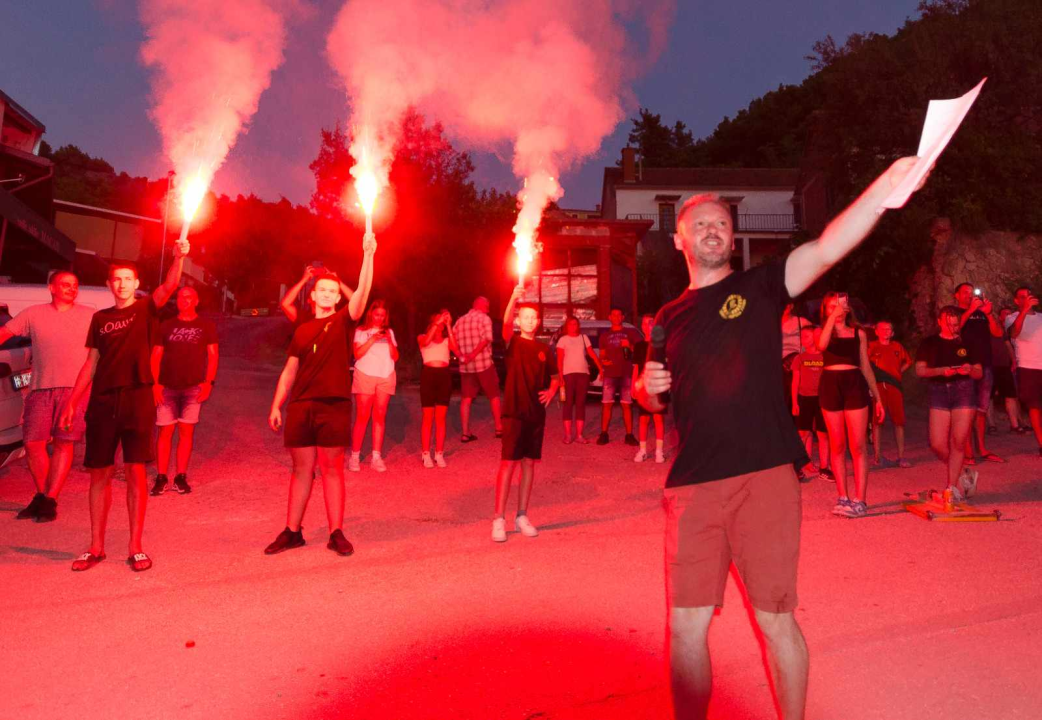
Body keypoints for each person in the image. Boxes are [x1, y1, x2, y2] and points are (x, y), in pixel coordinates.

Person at [636, 155, 928, 720]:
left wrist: (884, 189)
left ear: (732, 234)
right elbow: (651, 397)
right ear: (679, 241)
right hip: (693, 487)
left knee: (775, 619)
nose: (712, 230)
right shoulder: (667, 317)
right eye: (699, 224)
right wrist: (646, 389)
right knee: (685, 625)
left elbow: (826, 247)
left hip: (765, 476)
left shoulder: (764, 285)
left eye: (720, 222)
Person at [60, 244, 188, 572]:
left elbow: (170, 285)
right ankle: (96, 546)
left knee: (135, 473)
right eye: (116, 279)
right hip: (103, 402)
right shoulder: (99, 319)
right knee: (98, 475)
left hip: (137, 399)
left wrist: (179, 257)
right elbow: (91, 363)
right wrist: (72, 403)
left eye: (127, 279)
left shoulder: (146, 309)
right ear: (109, 285)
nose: (122, 284)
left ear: (136, 283)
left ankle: (135, 547)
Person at [265, 237, 376, 557]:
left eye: (332, 289)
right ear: (312, 296)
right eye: (322, 289)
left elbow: (362, 298)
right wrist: (277, 404)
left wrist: (367, 256)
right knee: (301, 470)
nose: (327, 293)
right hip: (301, 406)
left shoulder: (343, 321)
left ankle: (336, 532)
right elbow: (289, 370)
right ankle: (292, 531)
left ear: (337, 295)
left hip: (334, 404)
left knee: (332, 469)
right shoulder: (301, 330)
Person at [0, 271, 94, 522]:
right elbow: (5, 334)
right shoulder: (34, 314)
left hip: (75, 389)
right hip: (40, 387)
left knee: (64, 443)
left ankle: (50, 499)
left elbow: (103, 351)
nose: (71, 289)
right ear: (51, 287)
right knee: (32, 443)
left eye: (74, 285)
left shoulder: (89, 315)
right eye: (65, 285)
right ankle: (42, 495)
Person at [491, 286, 560, 542]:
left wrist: (552, 391)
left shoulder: (544, 349)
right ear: (521, 320)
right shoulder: (514, 343)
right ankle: (499, 518)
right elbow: (505, 325)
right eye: (526, 316)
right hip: (513, 412)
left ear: (538, 321)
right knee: (508, 463)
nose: (530, 320)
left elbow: (555, 377)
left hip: (535, 414)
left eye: (534, 317)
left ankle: (522, 515)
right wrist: (513, 297)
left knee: (529, 463)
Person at [816, 292, 885, 517]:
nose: (835, 310)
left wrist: (878, 398)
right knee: (837, 445)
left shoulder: (859, 333)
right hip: (830, 385)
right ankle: (842, 496)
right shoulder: (823, 331)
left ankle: (860, 500)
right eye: (830, 307)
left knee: (858, 445)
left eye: (839, 306)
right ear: (825, 311)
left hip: (854, 384)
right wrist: (831, 320)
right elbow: (821, 345)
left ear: (847, 309)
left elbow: (866, 367)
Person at [150, 286, 218, 495]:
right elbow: (156, 355)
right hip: (167, 386)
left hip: (193, 387)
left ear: (196, 301)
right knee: (165, 432)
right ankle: (161, 477)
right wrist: (155, 384)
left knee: (186, 432)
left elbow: (213, 355)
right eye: (180, 297)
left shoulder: (206, 325)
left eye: (189, 297)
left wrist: (208, 383)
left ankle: (181, 476)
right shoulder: (166, 325)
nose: (184, 300)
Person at [915, 305, 981, 500]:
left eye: (956, 323)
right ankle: (963, 474)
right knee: (937, 443)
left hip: (964, 390)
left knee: (958, 441)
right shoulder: (929, 343)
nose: (953, 327)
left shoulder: (968, 342)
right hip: (939, 391)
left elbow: (979, 373)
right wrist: (942, 371)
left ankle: (951, 487)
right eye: (949, 323)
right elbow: (920, 370)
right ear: (940, 322)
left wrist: (969, 369)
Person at [954, 282, 1005, 464]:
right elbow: (954, 329)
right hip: (964, 367)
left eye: (971, 292)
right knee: (966, 411)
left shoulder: (982, 314)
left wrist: (988, 313)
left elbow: (998, 333)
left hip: (985, 365)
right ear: (957, 295)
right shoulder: (953, 312)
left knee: (981, 410)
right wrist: (970, 311)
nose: (969, 296)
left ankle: (982, 449)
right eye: (965, 293)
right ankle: (968, 453)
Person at [348, 299, 398, 472]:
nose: (379, 318)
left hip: (386, 375)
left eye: (382, 316)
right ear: (371, 314)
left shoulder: (389, 332)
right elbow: (357, 354)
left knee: (380, 416)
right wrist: (373, 339)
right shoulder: (361, 331)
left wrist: (388, 340)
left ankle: (376, 456)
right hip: (365, 374)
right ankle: (355, 456)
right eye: (377, 314)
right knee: (362, 416)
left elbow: (395, 356)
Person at [454, 296, 503, 442]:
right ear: (481, 305)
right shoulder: (484, 319)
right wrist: (472, 355)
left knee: (466, 399)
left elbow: (452, 341)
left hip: (466, 367)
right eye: (487, 305)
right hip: (484, 364)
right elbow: (486, 339)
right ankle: (499, 428)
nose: (488, 308)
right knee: (494, 395)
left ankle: (465, 432)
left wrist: (462, 356)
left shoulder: (460, 321)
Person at [418, 309, 461, 468]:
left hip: (443, 376)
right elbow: (425, 343)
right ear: (431, 323)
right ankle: (425, 454)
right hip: (428, 375)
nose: (440, 325)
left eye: (442, 323)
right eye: (438, 322)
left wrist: (449, 326)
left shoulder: (445, 340)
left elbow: (456, 350)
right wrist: (437, 323)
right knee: (427, 417)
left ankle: (439, 453)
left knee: (441, 418)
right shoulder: (422, 337)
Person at [867, 320, 913, 468]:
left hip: (895, 386)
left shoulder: (897, 346)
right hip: (879, 386)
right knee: (877, 421)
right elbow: (865, 365)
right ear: (876, 331)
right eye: (884, 329)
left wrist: (899, 372)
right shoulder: (872, 346)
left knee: (899, 421)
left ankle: (901, 456)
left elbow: (908, 361)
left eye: (889, 329)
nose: (887, 331)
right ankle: (877, 456)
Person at [596, 307, 642, 446]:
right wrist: (603, 361)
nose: (616, 317)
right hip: (610, 373)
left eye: (619, 315)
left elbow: (641, 350)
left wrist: (631, 346)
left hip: (626, 373)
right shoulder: (604, 335)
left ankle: (629, 435)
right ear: (609, 317)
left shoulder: (631, 333)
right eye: (613, 315)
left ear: (622, 317)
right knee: (606, 405)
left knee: (626, 405)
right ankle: (604, 433)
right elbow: (602, 354)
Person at [790, 325, 829, 481]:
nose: (802, 340)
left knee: (823, 434)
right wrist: (794, 402)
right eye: (801, 337)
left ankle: (825, 467)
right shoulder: (800, 358)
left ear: (815, 338)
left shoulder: (825, 357)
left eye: (806, 336)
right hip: (804, 399)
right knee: (803, 433)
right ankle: (798, 466)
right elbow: (795, 382)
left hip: (822, 399)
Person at [1006, 286, 1042, 456]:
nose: (1027, 299)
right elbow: (1014, 333)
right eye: (1023, 297)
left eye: (1029, 296)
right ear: (1016, 301)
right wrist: (1025, 310)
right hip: (1028, 367)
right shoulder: (1011, 318)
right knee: (1034, 406)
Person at [555, 316, 602, 444]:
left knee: (581, 404)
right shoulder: (563, 340)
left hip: (583, 374)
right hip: (568, 375)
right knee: (568, 404)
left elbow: (591, 353)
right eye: (570, 324)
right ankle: (568, 435)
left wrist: (600, 367)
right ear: (567, 326)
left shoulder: (583, 338)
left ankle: (579, 435)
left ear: (578, 326)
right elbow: (559, 359)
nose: (573, 326)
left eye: (575, 324)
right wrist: (560, 376)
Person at [632, 313, 665, 463]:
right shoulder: (639, 346)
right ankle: (643, 451)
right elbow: (636, 368)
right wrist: (633, 385)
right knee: (643, 419)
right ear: (642, 327)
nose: (647, 326)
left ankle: (659, 452)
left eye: (651, 323)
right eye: (645, 323)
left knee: (658, 419)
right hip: (643, 388)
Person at [279, 264, 357, 324]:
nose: (324, 295)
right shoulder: (303, 318)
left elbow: (356, 302)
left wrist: (337, 281)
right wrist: (304, 279)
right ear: (310, 299)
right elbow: (285, 304)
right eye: (320, 291)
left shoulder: (338, 316)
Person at [992, 306, 1025, 433]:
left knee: (1011, 394)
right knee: (989, 397)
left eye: (1010, 314)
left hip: (1004, 366)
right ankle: (991, 424)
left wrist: (1013, 360)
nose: (1008, 317)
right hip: (990, 365)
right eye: (1005, 314)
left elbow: (1008, 345)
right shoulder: (991, 326)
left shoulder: (1007, 330)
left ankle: (1015, 424)